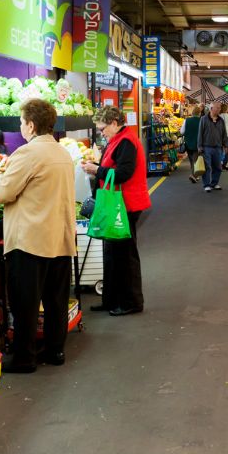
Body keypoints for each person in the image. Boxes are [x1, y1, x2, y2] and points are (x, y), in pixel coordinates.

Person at [0, 99, 77, 373]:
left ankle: (24, 358)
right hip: (60, 238)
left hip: (31, 241)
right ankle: (55, 350)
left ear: (31, 124)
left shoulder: (28, 154)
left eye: (21, 122)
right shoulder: (62, 153)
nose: (20, 127)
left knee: (25, 303)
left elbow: (3, 193)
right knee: (55, 301)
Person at [83, 105, 151, 317]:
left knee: (125, 255)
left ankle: (131, 302)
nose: (101, 133)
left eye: (103, 128)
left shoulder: (127, 142)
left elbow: (123, 173)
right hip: (118, 204)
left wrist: (97, 169)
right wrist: (97, 165)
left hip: (126, 205)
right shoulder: (119, 140)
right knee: (112, 254)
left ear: (114, 123)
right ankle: (111, 299)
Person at [198, 101, 227, 192]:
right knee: (207, 167)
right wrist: (199, 146)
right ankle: (206, 184)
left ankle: (214, 183)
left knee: (218, 167)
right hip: (206, 147)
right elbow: (200, 133)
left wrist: (225, 145)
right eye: (217, 107)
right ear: (211, 108)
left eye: (219, 108)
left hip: (218, 147)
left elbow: (224, 134)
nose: (219, 109)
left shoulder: (221, 120)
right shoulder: (203, 119)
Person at [182, 106, 203, 183]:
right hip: (198, 143)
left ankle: (194, 175)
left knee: (191, 160)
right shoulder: (201, 120)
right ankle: (194, 176)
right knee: (196, 160)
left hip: (188, 143)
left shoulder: (186, 120)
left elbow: (182, 132)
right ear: (200, 113)